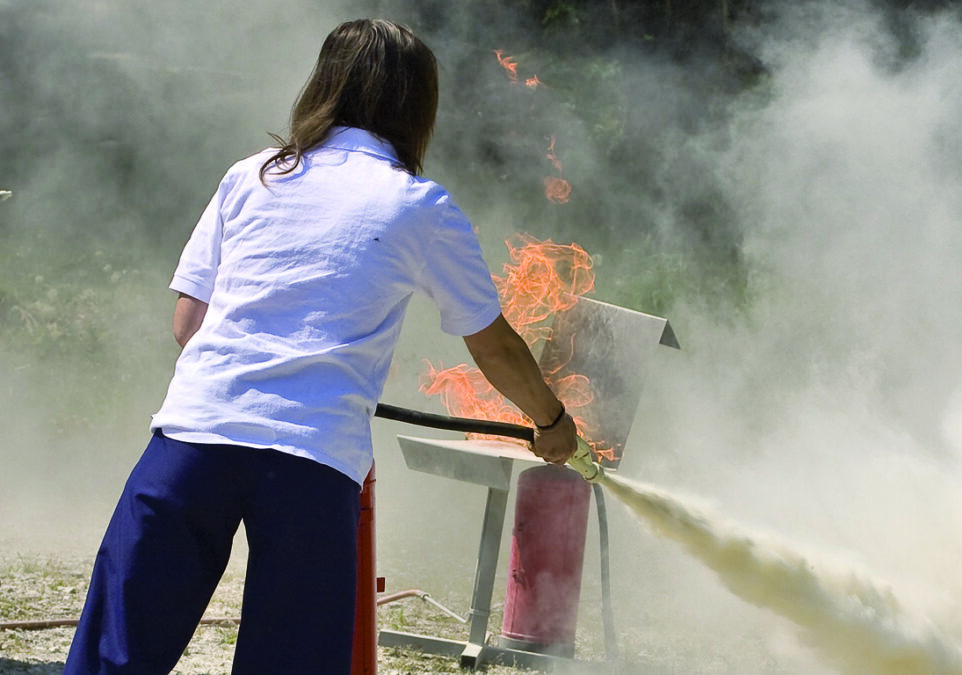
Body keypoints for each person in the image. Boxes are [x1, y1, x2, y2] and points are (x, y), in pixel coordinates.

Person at [63, 18, 578, 675]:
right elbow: (494, 345)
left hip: (192, 440)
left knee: (115, 654)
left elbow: (189, 321)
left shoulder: (251, 177)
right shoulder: (420, 206)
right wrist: (551, 421)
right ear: (415, 106)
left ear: (325, 85)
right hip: (310, 462)